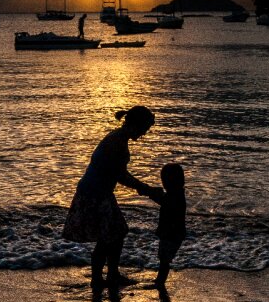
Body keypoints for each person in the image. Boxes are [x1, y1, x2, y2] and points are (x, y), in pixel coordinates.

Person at [63, 106, 156, 288]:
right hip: (94, 194)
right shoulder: (117, 142)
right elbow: (120, 175)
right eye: (145, 129)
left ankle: (110, 275)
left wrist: (143, 188)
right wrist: (145, 188)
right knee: (109, 237)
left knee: (117, 233)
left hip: (99, 192)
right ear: (136, 125)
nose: (145, 133)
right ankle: (99, 279)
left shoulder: (118, 137)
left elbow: (118, 174)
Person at [148, 163, 186, 287]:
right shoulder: (177, 193)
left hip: (172, 233)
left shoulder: (175, 196)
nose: (163, 183)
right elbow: (165, 201)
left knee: (164, 259)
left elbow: (166, 202)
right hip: (173, 233)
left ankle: (160, 282)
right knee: (164, 258)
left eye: (165, 180)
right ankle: (160, 281)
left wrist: (152, 194)